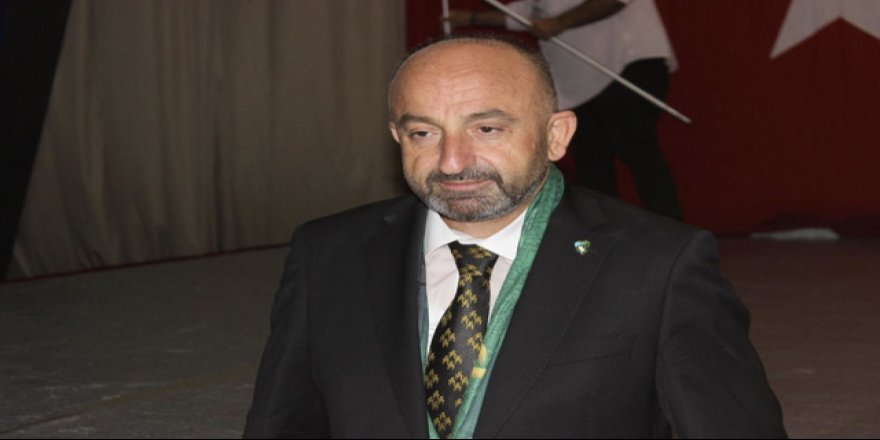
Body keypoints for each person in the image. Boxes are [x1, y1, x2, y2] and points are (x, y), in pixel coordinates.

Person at [243, 36, 785, 438]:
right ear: (396, 137)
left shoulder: (659, 265)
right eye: (423, 132)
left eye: (487, 128)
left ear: (556, 136)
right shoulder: (328, 255)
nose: (452, 161)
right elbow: (282, 423)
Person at [447, 0, 683, 220]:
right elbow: (533, 10)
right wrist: (472, 18)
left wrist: (560, 23)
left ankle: (672, 233)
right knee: (591, 162)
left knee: (636, 148)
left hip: (626, 64)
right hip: (578, 80)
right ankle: (600, 239)